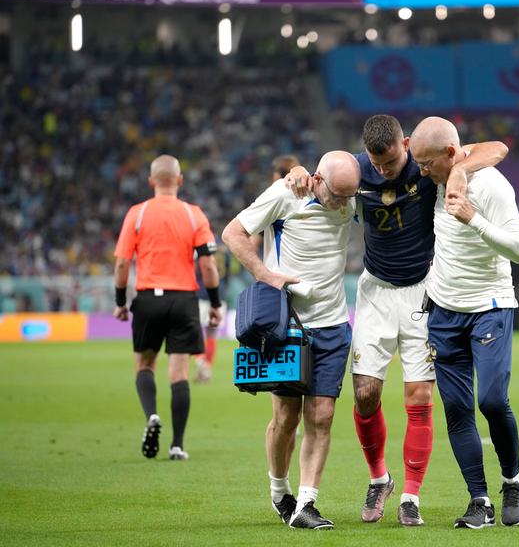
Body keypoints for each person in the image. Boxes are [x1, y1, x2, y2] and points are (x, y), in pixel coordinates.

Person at [286, 115, 508, 526]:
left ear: (405, 144)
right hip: (374, 290)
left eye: (391, 163)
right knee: (366, 393)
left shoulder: (426, 167)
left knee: (419, 397)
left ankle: (411, 495)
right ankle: (379, 479)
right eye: (378, 164)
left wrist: (458, 169)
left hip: (424, 289)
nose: (384, 172)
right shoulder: (356, 172)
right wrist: (300, 172)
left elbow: (496, 150)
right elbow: (317, 178)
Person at [222, 150, 361, 530]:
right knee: (286, 417)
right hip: (289, 327)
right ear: (316, 179)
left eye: (350, 197)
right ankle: (279, 491)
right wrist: (265, 273)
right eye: (337, 195)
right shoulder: (285, 195)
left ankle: (306, 504)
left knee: (323, 415)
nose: (344, 204)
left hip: (333, 324)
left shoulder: (350, 196)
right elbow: (232, 233)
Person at [410, 116, 519, 529]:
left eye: (427, 164)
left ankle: (512, 482)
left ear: (448, 154)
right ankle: (479, 499)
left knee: (492, 400)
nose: (421, 173)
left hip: (490, 305)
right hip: (443, 310)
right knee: (457, 409)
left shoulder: (494, 187)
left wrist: (473, 220)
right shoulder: (438, 176)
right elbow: (482, 147)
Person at [113, 154, 222, 461]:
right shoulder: (193, 214)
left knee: (145, 365)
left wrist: (121, 303)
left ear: (151, 182)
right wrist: (214, 303)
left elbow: (122, 263)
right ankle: (177, 445)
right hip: (183, 300)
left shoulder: (136, 213)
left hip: (148, 298)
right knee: (179, 373)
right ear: (179, 180)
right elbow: (209, 266)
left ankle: (151, 416)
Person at [194, 249, 230, 383]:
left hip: (203, 293)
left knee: (195, 331)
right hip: (220, 296)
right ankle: (207, 368)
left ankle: (201, 364)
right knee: (212, 333)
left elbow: (197, 271)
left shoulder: (201, 248)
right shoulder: (224, 252)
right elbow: (228, 275)